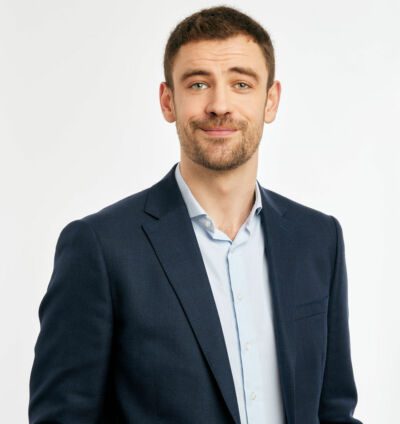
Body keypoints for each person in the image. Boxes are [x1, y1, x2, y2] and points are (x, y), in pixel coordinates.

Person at [29, 6, 363, 424]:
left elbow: (334, 412)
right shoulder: (100, 248)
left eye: (241, 84)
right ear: (168, 100)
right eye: (199, 83)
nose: (220, 105)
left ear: (271, 100)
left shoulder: (318, 239)